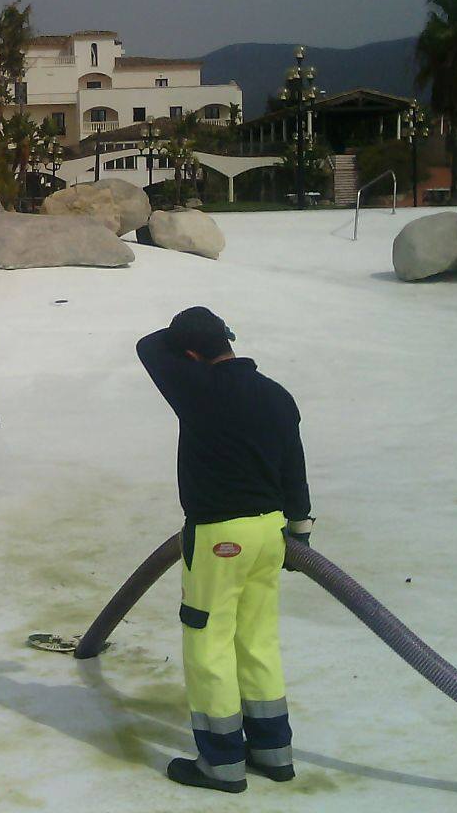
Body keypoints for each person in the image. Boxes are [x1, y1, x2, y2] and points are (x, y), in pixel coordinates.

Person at [136, 306, 314, 794]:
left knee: (209, 643)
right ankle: (273, 753)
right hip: (270, 533)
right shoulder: (277, 395)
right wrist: (299, 530)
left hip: (219, 537)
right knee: (257, 638)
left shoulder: (197, 390)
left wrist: (185, 344)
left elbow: (148, 346)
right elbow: (294, 467)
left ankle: (221, 764)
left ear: (192, 355)